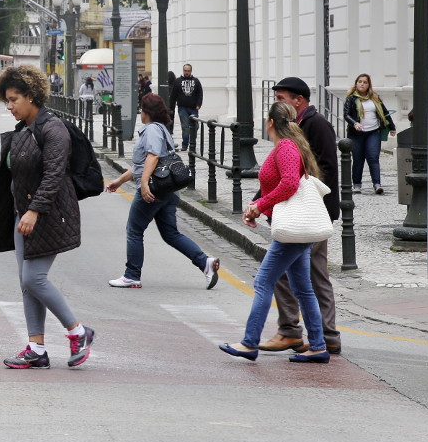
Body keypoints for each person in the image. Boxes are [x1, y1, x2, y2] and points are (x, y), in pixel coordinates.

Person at [0, 65, 95, 369]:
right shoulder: (24, 129)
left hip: (50, 214)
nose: (9, 106)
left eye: (13, 99)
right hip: (26, 215)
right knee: (27, 283)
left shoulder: (52, 128)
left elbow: (53, 174)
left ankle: (78, 332)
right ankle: (36, 348)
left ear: (31, 96)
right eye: (6, 100)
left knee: (33, 278)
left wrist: (34, 210)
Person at [220, 101, 330, 364]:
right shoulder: (291, 146)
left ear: (270, 122)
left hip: (292, 230)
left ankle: (249, 343)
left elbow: (290, 183)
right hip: (296, 228)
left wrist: (260, 205)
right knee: (302, 288)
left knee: (263, 282)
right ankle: (317, 346)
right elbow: (282, 184)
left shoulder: (285, 147)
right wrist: (258, 208)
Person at [258, 76, 341, 355]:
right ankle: (307, 334)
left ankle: (311, 334)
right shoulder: (290, 128)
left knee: (309, 275)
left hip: (308, 214)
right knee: (296, 276)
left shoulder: (316, 125)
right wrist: (260, 201)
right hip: (294, 211)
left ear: (299, 101)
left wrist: (323, 210)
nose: (276, 103)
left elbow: (327, 169)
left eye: (281, 98)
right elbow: (280, 171)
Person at [106, 93, 219, 289]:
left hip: (154, 191)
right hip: (168, 190)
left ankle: (132, 275)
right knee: (171, 234)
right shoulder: (162, 130)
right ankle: (204, 262)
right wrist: (119, 181)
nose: (140, 113)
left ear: (147, 112)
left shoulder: (150, 130)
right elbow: (141, 164)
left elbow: (153, 158)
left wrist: (143, 184)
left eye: (141, 108)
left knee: (134, 230)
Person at [344, 73, 397, 194]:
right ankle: (357, 185)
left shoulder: (375, 98)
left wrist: (391, 127)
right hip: (356, 133)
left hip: (373, 132)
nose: (362, 84)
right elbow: (346, 114)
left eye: (365, 82)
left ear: (368, 85)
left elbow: (385, 113)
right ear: (356, 84)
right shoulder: (351, 98)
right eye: (360, 82)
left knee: (373, 158)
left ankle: (377, 184)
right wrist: (354, 123)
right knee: (358, 159)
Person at [172, 64, 203, 151]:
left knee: (195, 126)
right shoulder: (178, 81)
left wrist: (199, 104)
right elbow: (173, 95)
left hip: (193, 108)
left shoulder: (196, 81)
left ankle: (192, 143)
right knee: (185, 127)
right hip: (182, 108)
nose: (186, 72)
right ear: (183, 71)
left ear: (191, 71)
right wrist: (172, 108)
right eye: (185, 70)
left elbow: (200, 93)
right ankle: (185, 144)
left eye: (188, 71)